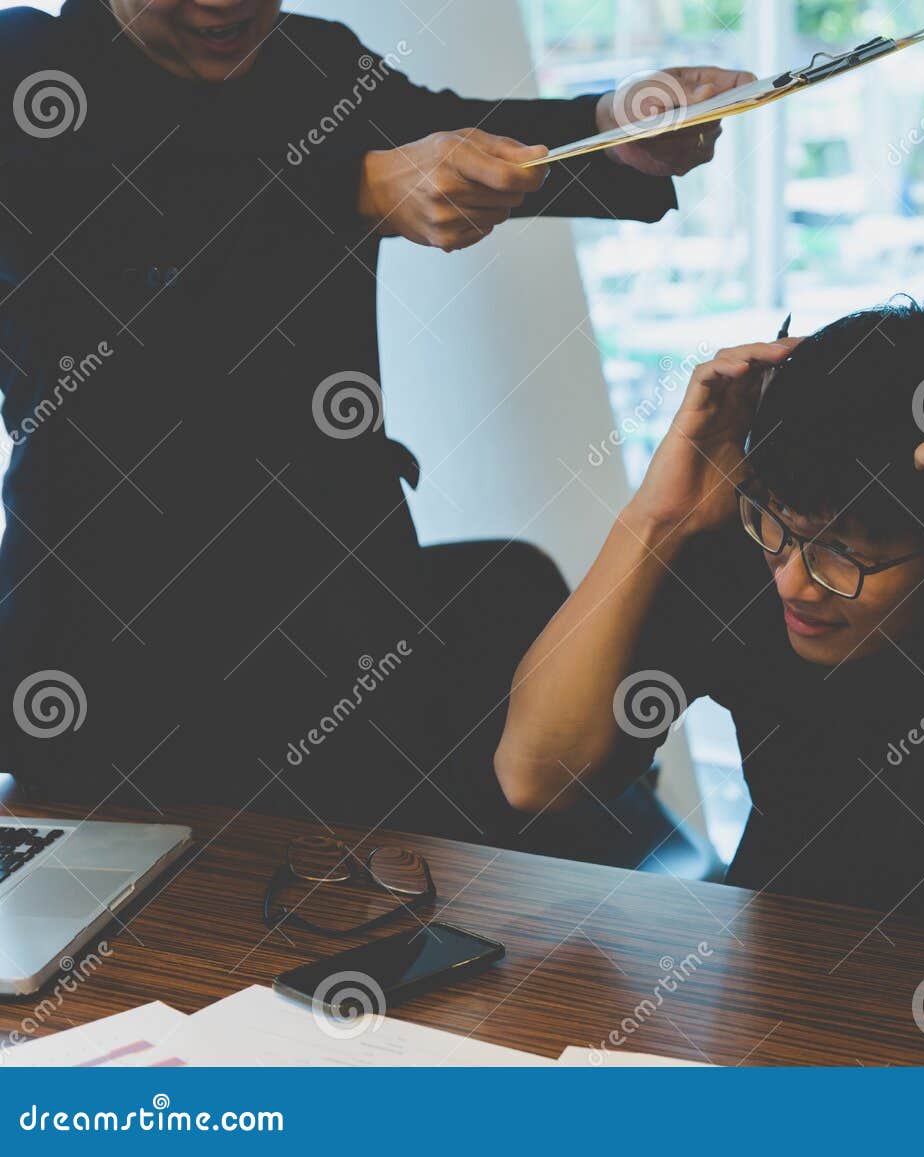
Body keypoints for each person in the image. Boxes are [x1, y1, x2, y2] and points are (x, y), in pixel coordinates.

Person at [0, 0, 750, 841]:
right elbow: (141, 210)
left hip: (342, 619)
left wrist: (616, 126)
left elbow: (462, 144)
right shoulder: (25, 65)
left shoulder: (311, 60)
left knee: (389, 931)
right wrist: (355, 185)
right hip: (114, 649)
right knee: (140, 954)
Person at [494, 303, 924, 989]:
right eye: (778, 525)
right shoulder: (760, 549)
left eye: (844, 551)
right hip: (784, 987)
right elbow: (535, 774)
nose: (797, 583)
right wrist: (658, 517)